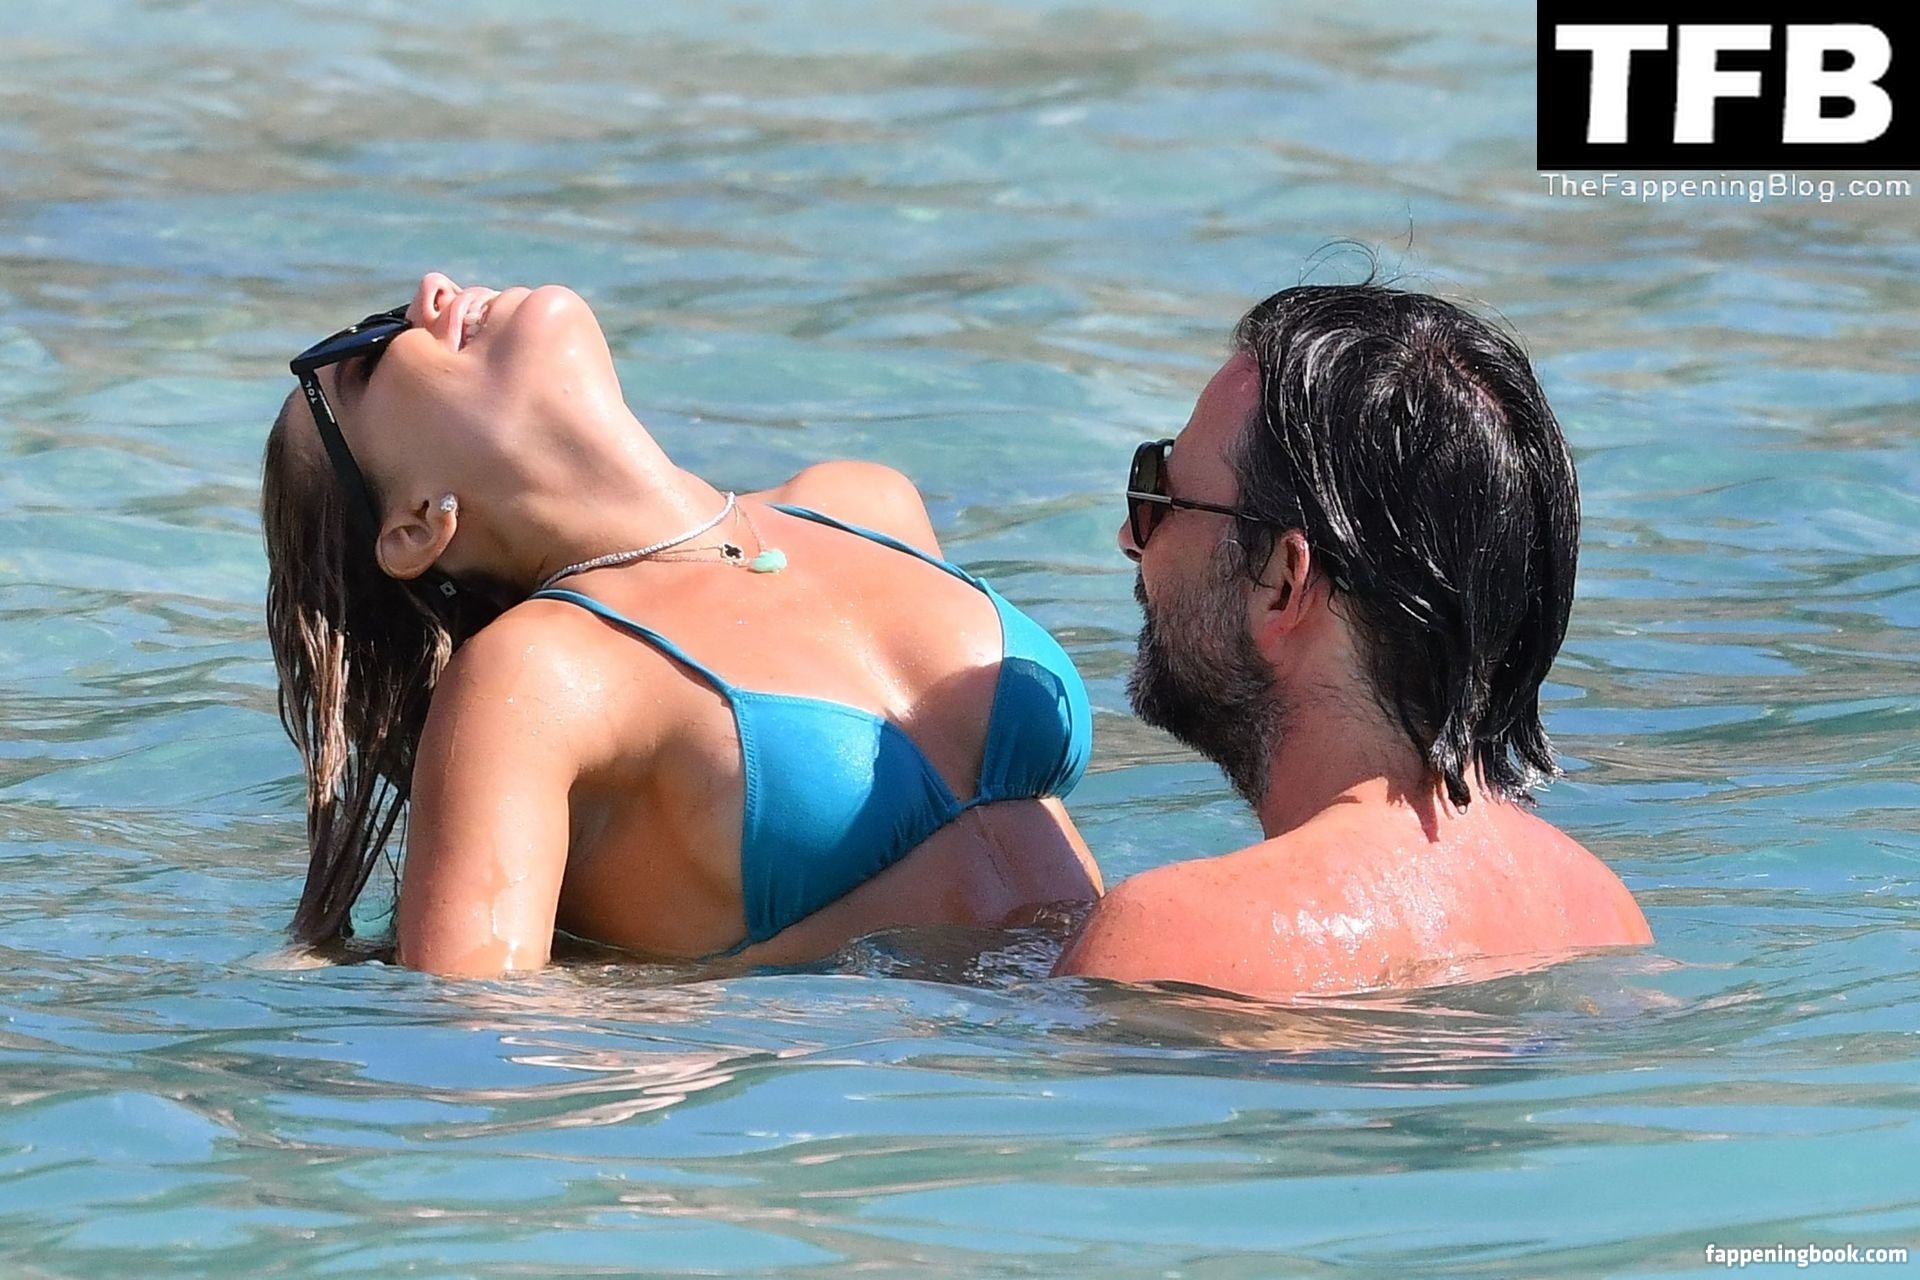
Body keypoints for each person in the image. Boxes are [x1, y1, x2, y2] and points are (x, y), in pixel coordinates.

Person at [263, 273, 1101, 977]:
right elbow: (472, 1040)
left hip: (1141, 1042)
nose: (431, 293)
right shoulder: (536, 680)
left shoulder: (866, 505)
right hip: (944, 1096)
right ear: (415, 525)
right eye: (366, 354)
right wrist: (709, 1014)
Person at [1054, 282, 1651, 1000]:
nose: (1129, 537)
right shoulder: (1603, 917)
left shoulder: (1174, 941)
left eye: (1158, 494)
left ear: (1283, 581)